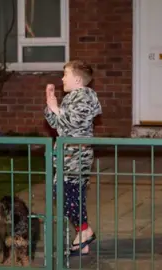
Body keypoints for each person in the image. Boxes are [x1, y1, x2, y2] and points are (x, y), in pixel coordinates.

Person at [44, 60, 102, 256]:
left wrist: (56, 108)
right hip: (66, 155)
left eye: (65, 75)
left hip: (76, 156)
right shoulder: (71, 97)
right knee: (70, 196)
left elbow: (73, 126)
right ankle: (83, 237)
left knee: (65, 194)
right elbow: (56, 124)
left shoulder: (84, 97)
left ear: (77, 79)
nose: (62, 79)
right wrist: (51, 105)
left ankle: (84, 231)